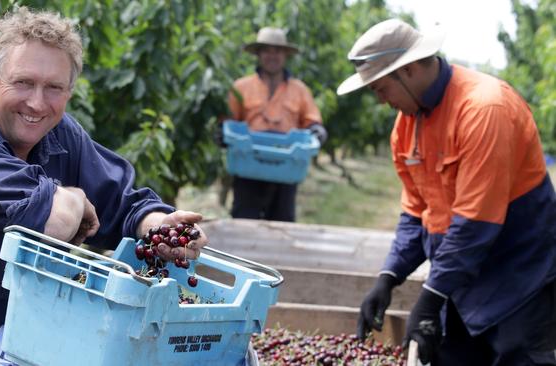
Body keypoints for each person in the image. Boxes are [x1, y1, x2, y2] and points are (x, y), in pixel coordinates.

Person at [0, 7, 209, 366]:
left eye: (54, 88)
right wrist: (74, 199)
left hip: (24, 349)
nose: (37, 103)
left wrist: (158, 225)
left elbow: (122, 202)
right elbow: (55, 220)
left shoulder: (61, 135)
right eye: (23, 83)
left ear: (70, 91)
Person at [337, 19, 556, 365]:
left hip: (516, 279)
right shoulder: (406, 126)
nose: (381, 101)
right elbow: (415, 213)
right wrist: (389, 277)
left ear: (408, 71)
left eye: (380, 89)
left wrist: (429, 298)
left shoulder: (485, 109)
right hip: (460, 280)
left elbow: (475, 224)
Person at [225, 26, 327, 222]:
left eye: (278, 51)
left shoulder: (299, 90)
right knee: (244, 220)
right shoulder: (241, 87)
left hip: (286, 167)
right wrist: (222, 134)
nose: (272, 56)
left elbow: (312, 121)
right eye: (267, 50)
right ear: (259, 54)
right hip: (249, 164)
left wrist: (317, 131)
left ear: (285, 55)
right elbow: (229, 122)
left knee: (282, 222)